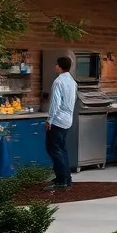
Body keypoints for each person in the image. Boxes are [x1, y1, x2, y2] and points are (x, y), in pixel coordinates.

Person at [44, 56, 77, 190]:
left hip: (57, 120)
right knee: (61, 150)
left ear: (60, 66)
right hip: (67, 119)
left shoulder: (58, 82)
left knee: (54, 150)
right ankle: (65, 178)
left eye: (56, 64)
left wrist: (49, 119)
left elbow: (55, 103)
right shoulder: (73, 82)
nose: (54, 66)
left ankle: (62, 180)